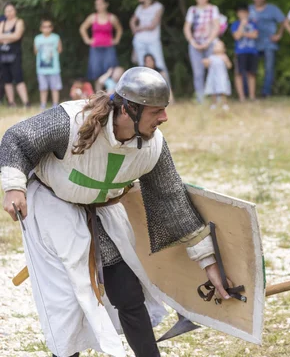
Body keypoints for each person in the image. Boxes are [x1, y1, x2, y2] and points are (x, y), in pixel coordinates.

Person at [0, 67, 229, 357]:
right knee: (67, 303)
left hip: (102, 212)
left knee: (128, 292)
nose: (164, 118)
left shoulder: (152, 147)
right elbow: (17, 139)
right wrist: (14, 187)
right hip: (51, 209)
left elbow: (172, 203)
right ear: (128, 110)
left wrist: (209, 262)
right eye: (156, 111)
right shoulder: (71, 122)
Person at [183, 0, 221, 103]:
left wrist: (208, 41)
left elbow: (216, 26)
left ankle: (217, 98)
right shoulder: (192, 10)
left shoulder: (213, 9)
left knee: (214, 70)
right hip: (195, 44)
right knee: (198, 73)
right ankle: (201, 99)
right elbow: (187, 27)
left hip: (210, 44)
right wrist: (193, 42)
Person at [248, 0, 286, 97]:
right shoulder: (249, 9)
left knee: (269, 68)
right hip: (252, 44)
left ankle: (266, 92)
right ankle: (250, 92)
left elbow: (283, 21)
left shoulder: (272, 9)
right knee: (251, 69)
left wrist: (279, 34)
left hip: (269, 43)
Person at [130, 0, 169, 82]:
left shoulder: (158, 6)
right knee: (141, 67)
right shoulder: (139, 8)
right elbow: (132, 21)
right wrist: (134, 30)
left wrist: (139, 28)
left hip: (153, 40)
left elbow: (153, 24)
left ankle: (167, 90)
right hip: (139, 40)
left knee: (159, 64)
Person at [79, 0, 123, 81]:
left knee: (110, 70)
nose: (98, 6)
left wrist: (116, 39)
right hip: (95, 47)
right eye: (96, 4)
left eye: (100, 4)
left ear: (106, 4)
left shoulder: (112, 17)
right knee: (95, 71)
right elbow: (82, 28)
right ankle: (97, 93)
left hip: (108, 47)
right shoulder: (92, 17)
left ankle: (110, 91)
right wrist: (87, 39)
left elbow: (119, 29)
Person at [0, 2, 29, 107]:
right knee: (7, 80)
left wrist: (4, 37)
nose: (9, 13)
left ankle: (26, 102)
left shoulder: (19, 21)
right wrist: (8, 37)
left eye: (11, 10)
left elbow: (17, 36)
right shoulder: (2, 23)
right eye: (7, 11)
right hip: (3, 55)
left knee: (18, 78)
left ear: (15, 11)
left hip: (15, 55)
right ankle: (11, 102)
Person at [231, 5, 259, 101]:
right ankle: (241, 96)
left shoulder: (253, 24)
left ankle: (252, 95)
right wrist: (242, 25)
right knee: (239, 73)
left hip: (252, 51)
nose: (243, 15)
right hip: (240, 52)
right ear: (238, 14)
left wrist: (243, 34)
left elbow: (255, 35)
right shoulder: (235, 24)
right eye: (240, 13)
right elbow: (237, 36)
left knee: (252, 73)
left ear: (248, 13)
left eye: (244, 12)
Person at [34, 18, 63, 109]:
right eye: (44, 26)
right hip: (41, 68)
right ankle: (43, 104)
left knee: (55, 87)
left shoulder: (56, 37)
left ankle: (55, 104)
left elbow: (59, 50)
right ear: (41, 28)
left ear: (52, 28)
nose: (46, 28)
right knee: (43, 88)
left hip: (54, 68)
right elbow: (35, 51)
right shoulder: (37, 38)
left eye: (49, 26)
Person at [203, 40, 232, 110]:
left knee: (223, 91)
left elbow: (229, 66)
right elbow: (207, 66)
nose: (216, 47)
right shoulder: (211, 57)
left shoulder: (224, 57)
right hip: (213, 77)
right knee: (213, 91)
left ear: (223, 49)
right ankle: (214, 104)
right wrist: (205, 62)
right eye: (215, 46)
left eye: (218, 46)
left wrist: (226, 61)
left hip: (222, 77)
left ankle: (225, 104)